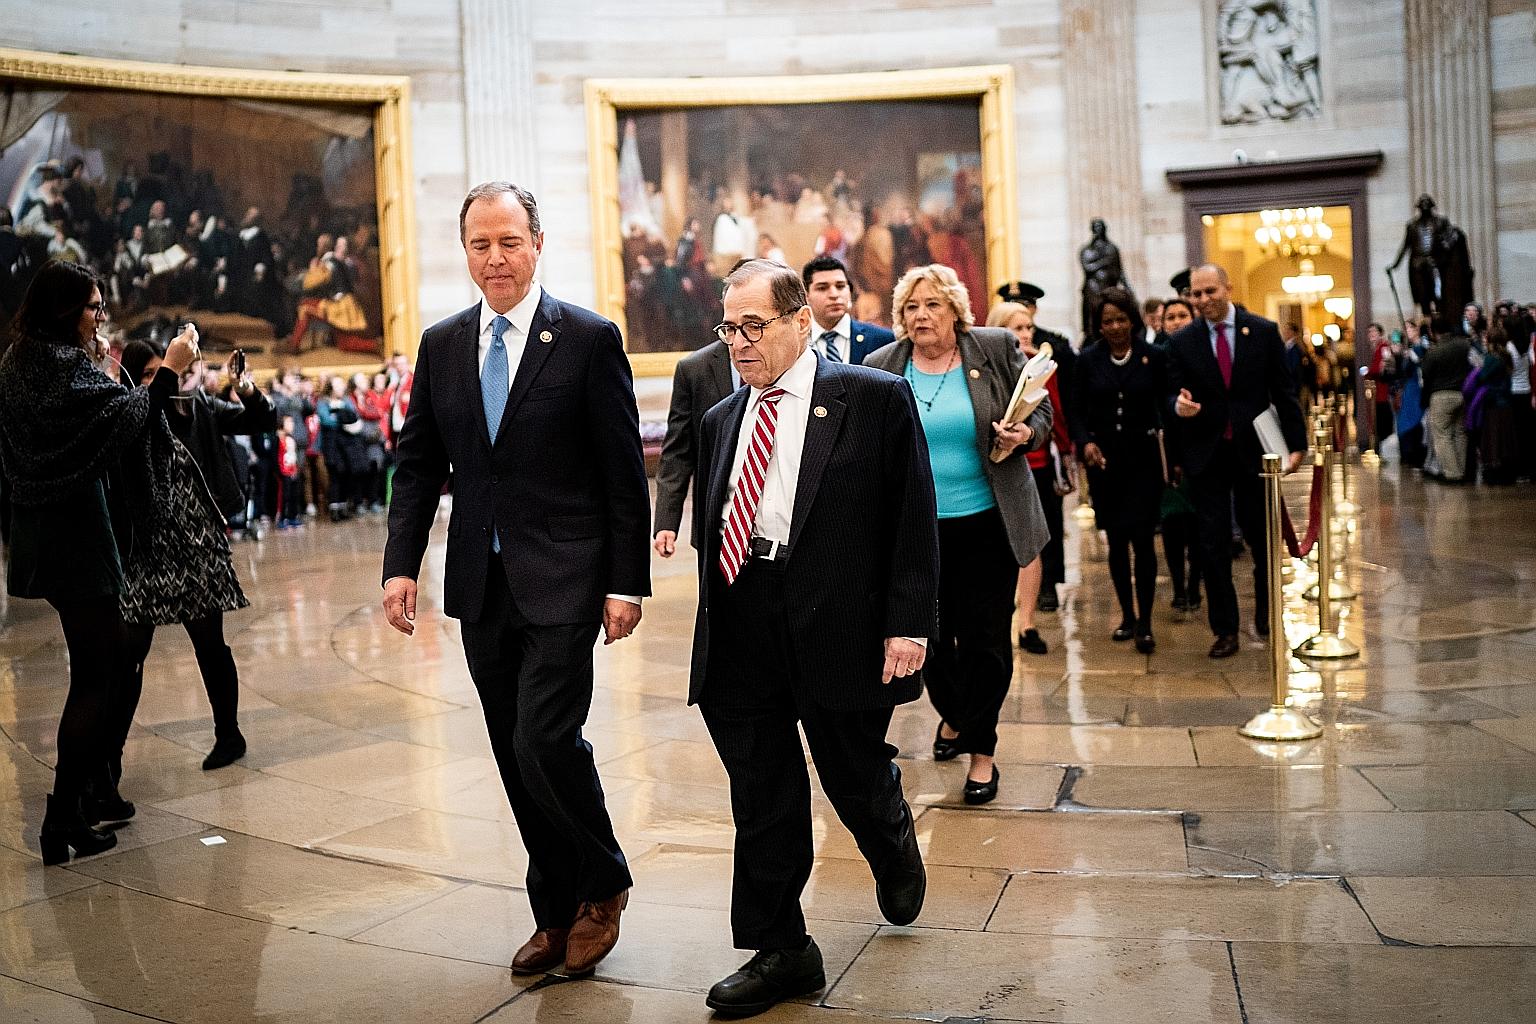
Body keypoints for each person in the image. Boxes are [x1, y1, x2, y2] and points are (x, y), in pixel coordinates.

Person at [382, 182, 650, 979]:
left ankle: (602, 885)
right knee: (510, 752)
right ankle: (553, 909)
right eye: (479, 245)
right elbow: (419, 462)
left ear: (538, 242)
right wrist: (402, 564)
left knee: (544, 740)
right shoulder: (442, 343)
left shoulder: (589, 339)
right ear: (464, 252)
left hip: (565, 576)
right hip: (480, 583)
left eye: (508, 242)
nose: (494, 258)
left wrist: (624, 582)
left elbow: (621, 475)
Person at [689, 259, 937, 1015]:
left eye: (753, 325)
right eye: (729, 327)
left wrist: (908, 623)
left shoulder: (871, 399)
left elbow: (911, 518)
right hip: (742, 618)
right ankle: (783, 949)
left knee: (849, 769)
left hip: (840, 619)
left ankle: (888, 834)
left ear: (801, 321)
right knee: (762, 789)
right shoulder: (721, 419)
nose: (738, 342)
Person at [0, 261, 198, 862]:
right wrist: (170, 370)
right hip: (75, 531)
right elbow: (129, 418)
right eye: (93, 307)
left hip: (37, 527)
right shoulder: (62, 367)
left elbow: (93, 416)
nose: (100, 316)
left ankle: (80, 806)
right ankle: (62, 820)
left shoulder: (18, 362)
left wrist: (106, 373)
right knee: (100, 673)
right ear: (65, 311)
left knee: (102, 665)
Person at [866, 264, 1050, 804]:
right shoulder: (883, 365)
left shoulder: (990, 349)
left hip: (987, 522)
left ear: (955, 310)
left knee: (986, 639)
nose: (921, 316)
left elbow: (1038, 414)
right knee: (931, 641)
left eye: (932, 306)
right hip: (917, 531)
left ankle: (982, 752)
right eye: (911, 308)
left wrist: (1024, 434)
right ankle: (956, 715)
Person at [114, 339, 274, 772]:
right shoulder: (128, 413)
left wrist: (244, 387)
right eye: (147, 374)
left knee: (210, 646)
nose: (158, 381)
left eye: (161, 371)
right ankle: (110, 757)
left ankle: (229, 734)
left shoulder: (196, 406)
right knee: (129, 653)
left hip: (197, 543)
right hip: (147, 550)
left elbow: (261, 420)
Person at [1166, 264, 1306, 659]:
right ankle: (1225, 629)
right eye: (1197, 295)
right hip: (1206, 454)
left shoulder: (1261, 331)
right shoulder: (1183, 341)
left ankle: (1265, 614)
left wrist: (1296, 444)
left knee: (1261, 539)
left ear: (1228, 288)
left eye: (1211, 291)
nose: (1204, 300)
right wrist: (1178, 406)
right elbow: (1169, 396)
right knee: (1212, 546)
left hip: (1254, 450)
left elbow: (1283, 390)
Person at [1073, 289, 1167, 652]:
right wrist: (1085, 443)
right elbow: (1077, 410)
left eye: (1121, 319)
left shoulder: (1151, 357)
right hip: (1105, 464)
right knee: (1116, 541)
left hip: (1142, 462)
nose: (1115, 327)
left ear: (1133, 320)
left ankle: (1145, 621)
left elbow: (1163, 403)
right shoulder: (1088, 360)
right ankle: (1126, 615)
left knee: (1143, 541)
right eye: (1107, 321)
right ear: (1099, 325)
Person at [985, 300, 1072, 647]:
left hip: (1033, 462)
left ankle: (1027, 623)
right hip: (993, 465)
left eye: (1028, 328)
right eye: (1017, 328)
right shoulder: (984, 362)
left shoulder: (1039, 365)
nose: (1025, 334)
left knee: (1030, 542)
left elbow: (1053, 414)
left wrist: (1065, 454)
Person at [653, 337, 736, 559]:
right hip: (716, 523)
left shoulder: (789, 364)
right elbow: (678, 452)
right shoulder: (694, 369)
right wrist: (666, 521)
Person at [1156, 298, 1202, 612]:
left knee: (1199, 525)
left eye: (1182, 315)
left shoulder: (1203, 350)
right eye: (1170, 317)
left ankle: (1195, 583)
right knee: (1172, 525)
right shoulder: (1157, 356)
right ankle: (1178, 586)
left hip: (1201, 449)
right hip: (1168, 453)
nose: (1176, 321)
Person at [801, 255, 894, 365]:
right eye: (822, 288)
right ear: (806, 296)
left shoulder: (883, 339)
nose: (834, 295)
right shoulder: (797, 343)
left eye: (840, 286)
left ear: (850, 291)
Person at [1421, 325, 1471, 482]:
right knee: (1460, 433)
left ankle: (1452, 473)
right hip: (1462, 393)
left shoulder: (1434, 351)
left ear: (1433, 332)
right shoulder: (1464, 346)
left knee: (1442, 435)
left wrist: (1425, 399)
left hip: (1440, 395)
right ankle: (1461, 470)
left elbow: (1426, 375)